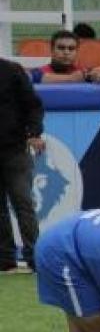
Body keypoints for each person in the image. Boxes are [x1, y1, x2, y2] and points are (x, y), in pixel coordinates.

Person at [0, 57, 45, 274]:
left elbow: (33, 105)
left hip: (14, 149)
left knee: (23, 202)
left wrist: (34, 133)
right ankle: (5, 260)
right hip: (12, 147)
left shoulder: (12, 71)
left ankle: (35, 257)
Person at [30, 31, 100, 84]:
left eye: (71, 49)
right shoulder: (39, 72)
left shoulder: (83, 72)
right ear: (52, 50)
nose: (66, 52)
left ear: (76, 52)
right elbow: (32, 77)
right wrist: (72, 78)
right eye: (61, 48)